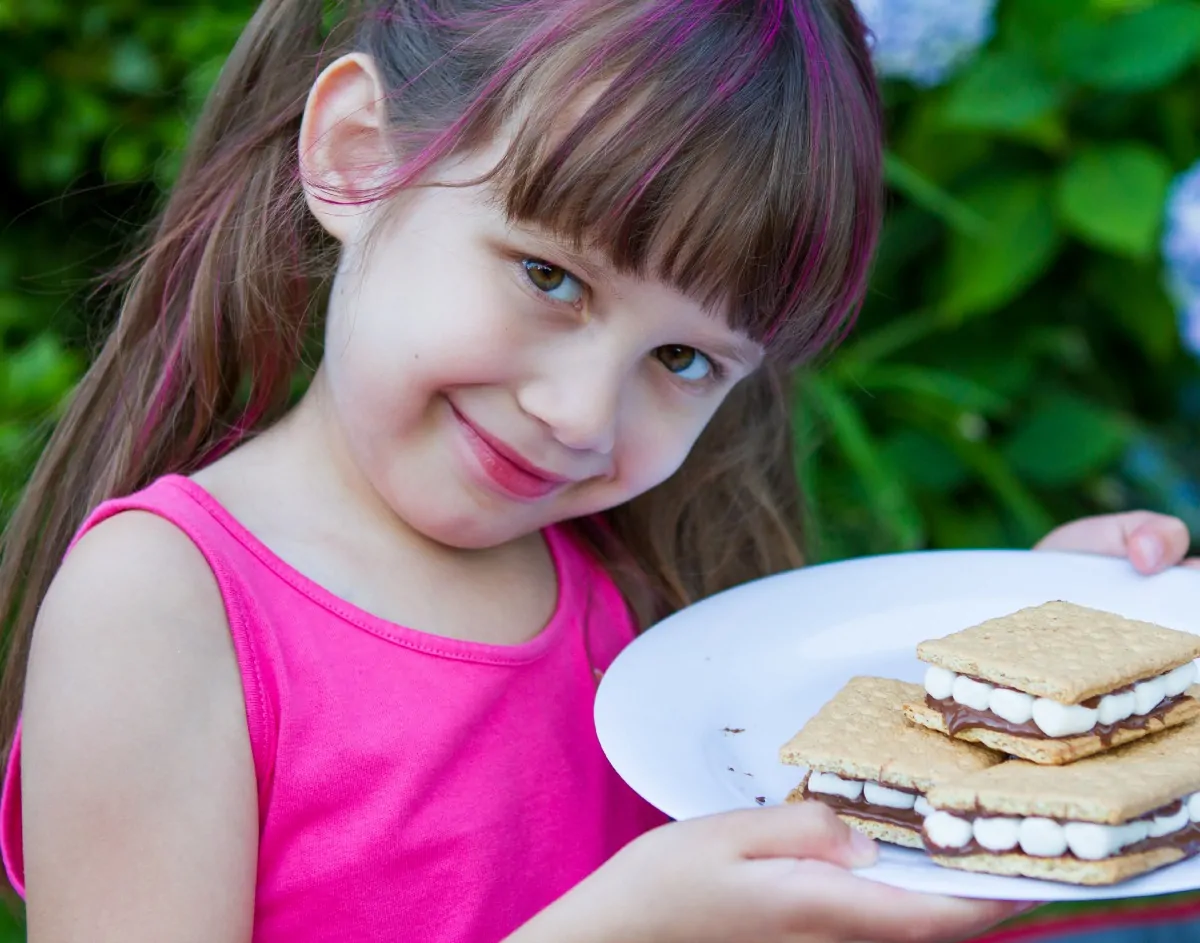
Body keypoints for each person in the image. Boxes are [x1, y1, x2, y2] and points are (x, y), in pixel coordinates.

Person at [0, 1, 1194, 940]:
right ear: (361, 159)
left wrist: (1022, 705)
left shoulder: (651, 604)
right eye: (549, 277)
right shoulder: (160, 611)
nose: (579, 417)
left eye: (681, 356)